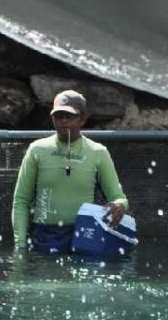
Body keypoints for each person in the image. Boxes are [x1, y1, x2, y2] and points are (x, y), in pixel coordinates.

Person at [11, 89, 130, 254]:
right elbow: (21, 201)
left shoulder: (98, 152)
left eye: (70, 116)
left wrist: (120, 205)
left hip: (85, 234)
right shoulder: (37, 150)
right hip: (45, 235)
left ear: (83, 119)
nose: (63, 121)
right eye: (58, 116)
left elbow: (119, 197)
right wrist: (20, 246)